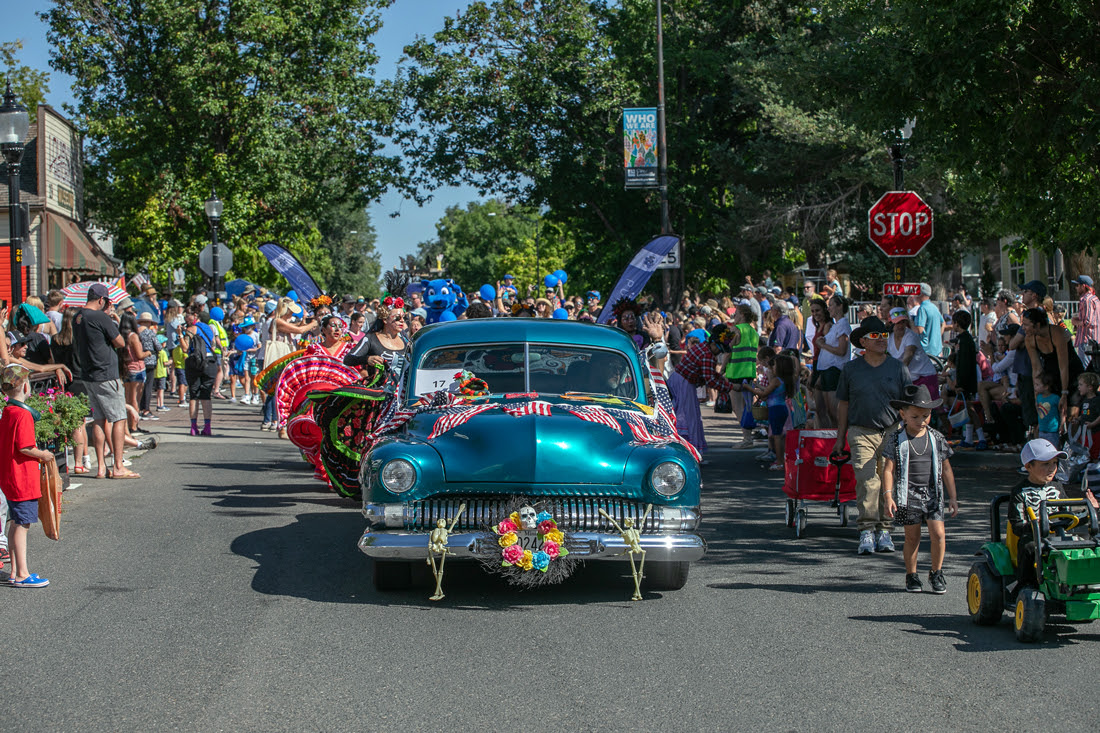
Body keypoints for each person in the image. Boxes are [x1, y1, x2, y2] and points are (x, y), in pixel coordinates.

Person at [833, 315, 913, 555]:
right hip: (860, 431)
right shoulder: (851, 369)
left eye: (884, 335)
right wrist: (840, 439)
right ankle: (867, 529)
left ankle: (885, 529)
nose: (882, 340)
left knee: (888, 482)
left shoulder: (898, 367)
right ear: (863, 343)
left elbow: (908, 405)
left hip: (892, 431)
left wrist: (910, 434)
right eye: (875, 336)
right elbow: (843, 405)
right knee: (868, 480)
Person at [882, 385, 957, 594]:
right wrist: (888, 496)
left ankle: (936, 572)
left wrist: (953, 497)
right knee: (912, 537)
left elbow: (946, 469)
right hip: (908, 495)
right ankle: (911, 575)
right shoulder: (897, 439)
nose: (921, 421)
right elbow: (888, 470)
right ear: (903, 414)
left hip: (933, 494)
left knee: (939, 534)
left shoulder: (937, 438)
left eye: (925, 416)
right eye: (915, 417)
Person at [73, 283, 137, 479]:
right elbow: (119, 342)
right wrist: (111, 320)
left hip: (89, 374)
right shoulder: (100, 316)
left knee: (99, 420)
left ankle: (101, 467)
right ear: (102, 300)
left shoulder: (77, 317)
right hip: (106, 373)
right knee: (118, 418)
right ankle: (118, 466)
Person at [0, 365, 56, 587]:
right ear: (25, 386)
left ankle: (15, 571)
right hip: (22, 477)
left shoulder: (8, 411)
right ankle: (23, 574)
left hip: (10, 476)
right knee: (23, 524)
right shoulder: (22, 414)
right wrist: (43, 454)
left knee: (15, 523)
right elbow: (25, 447)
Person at [669, 323, 735, 457]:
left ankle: (690, 450)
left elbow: (710, 374)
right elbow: (710, 380)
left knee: (689, 416)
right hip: (684, 383)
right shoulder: (707, 354)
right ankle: (690, 451)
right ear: (713, 343)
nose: (719, 352)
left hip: (681, 381)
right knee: (688, 418)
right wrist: (729, 387)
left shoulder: (703, 348)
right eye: (719, 348)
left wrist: (723, 381)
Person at [1010, 439, 1068, 587]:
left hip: (1057, 533)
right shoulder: (1019, 492)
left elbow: (1068, 516)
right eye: (1045, 464)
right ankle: (1025, 584)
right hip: (1033, 536)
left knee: (1085, 542)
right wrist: (1037, 523)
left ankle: (1078, 583)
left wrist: (1091, 510)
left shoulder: (1057, 487)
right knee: (1030, 546)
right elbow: (1017, 525)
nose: (1052, 468)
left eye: (1054, 463)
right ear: (1029, 466)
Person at [1023, 306, 1083, 434]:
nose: (1023, 328)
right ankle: (1054, 446)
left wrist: (1065, 393)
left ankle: (1072, 447)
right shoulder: (1029, 339)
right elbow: (1036, 369)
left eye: (1026, 325)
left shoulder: (1057, 333)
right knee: (1050, 411)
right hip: (1052, 375)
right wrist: (1037, 394)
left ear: (1037, 325)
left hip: (1071, 372)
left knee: (1071, 413)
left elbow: (1064, 366)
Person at [744, 350, 798, 471]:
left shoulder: (776, 380)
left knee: (776, 436)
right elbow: (769, 391)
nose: (771, 367)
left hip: (775, 409)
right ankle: (782, 460)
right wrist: (758, 386)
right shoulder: (784, 380)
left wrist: (748, 387)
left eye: (774, 365)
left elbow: (764, 393)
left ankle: (779, 462)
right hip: (782, 408)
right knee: (780, 436)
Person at [724, 304, 760, 449]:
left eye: (737, 313)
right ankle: (748, 436)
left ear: (743, 315)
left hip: (735, 372)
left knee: (737, 406)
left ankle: (746, 438)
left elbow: (727, 350)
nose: (734, 316)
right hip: (749, 372)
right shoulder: (754, 331)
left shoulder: (734, 329)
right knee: (747, 406)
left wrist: (721, 369)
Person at [812, 294, 851, 428]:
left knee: (835, 411)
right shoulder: (836, 325)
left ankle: (840, 439)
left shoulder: (842, 325)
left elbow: (842, 350)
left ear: (840, 307)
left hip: (834, 370)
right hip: (826, 370)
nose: (828, 309)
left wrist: (823, 345)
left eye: (831, 306)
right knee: (827, 410)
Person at [345, 297, 410, 375]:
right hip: (379, 386)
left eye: (403, 317)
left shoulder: (405, 340)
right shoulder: (371, 339)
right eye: (397, 318)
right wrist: (367, 359)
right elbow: (348, 359)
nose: (402, 320)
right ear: (385, 319)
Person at [180, 310, 220, 437]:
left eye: (188, 315)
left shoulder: (191, 329)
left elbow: (185, 348)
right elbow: (213, 345)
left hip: (195, 362)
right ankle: (207, 427)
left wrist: (180, 335)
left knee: (194, 395)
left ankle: (193, 427)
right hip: (210, 362)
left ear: (195, 315)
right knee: (206, 395)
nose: (186, 318)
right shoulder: (209, 328)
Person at [953, 310, 988, 449]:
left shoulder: (964, 340)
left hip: (966, 382)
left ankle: (981, 438)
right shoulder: (966, 339)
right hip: (969, 381)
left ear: (957, 324)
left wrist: (961, 383)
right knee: (968, 410)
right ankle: (968, 438)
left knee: (971, 410)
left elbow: (964, 365)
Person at [887, 307, 938, 401]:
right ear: (890, 324)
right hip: (909, 379)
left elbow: (907, 358)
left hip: (925, 377)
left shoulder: (910, 336)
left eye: (903, 322)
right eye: (897, 323)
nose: (901, 326)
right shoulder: (888, 338)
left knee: (929, 410)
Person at [1071, 274, 1100, 367]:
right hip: (1094, 339)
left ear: (1083, 286)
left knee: (1086, 367)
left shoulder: (1086, 300)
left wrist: (1075, 322)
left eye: (1077, 285)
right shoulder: (1095, 299)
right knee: (1094, 366)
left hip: (1087, 340)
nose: (1076, 288)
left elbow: (1087, 322)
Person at [912, 283, 944, 358]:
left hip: (926, 352)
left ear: (921, 294)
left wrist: (909, 327)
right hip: (937, 351)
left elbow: (919, 329)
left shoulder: (922, 308)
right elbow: (943, 323)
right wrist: (937, 337)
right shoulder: (934, 307)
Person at [1034, 373, 1061, 446]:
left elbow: (1061, 412)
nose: (1035, 387)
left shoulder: (1055, 398)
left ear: (1046, 387)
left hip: (1052, 431)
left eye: (1037, 385)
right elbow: (1039, 411)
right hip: (1042, 429)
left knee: (1052, 449)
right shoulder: (1039, 397)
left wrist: (1062, 424)